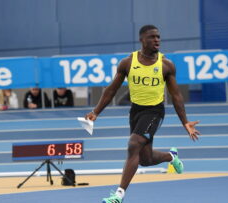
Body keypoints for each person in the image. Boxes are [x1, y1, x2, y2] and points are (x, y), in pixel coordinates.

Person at [84, 25, 200, 203]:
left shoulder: (166, 65)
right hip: (136, 111)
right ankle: (171, 156)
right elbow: (111, 90)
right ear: (142, 40)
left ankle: (119, 194)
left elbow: (176, 95)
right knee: (145, 159)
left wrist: (185, 122)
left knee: (133, 144)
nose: (157, 40)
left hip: (155, 111)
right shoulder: (128, 62)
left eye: (158, 37)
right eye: (152, 37)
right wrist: (95, 112)